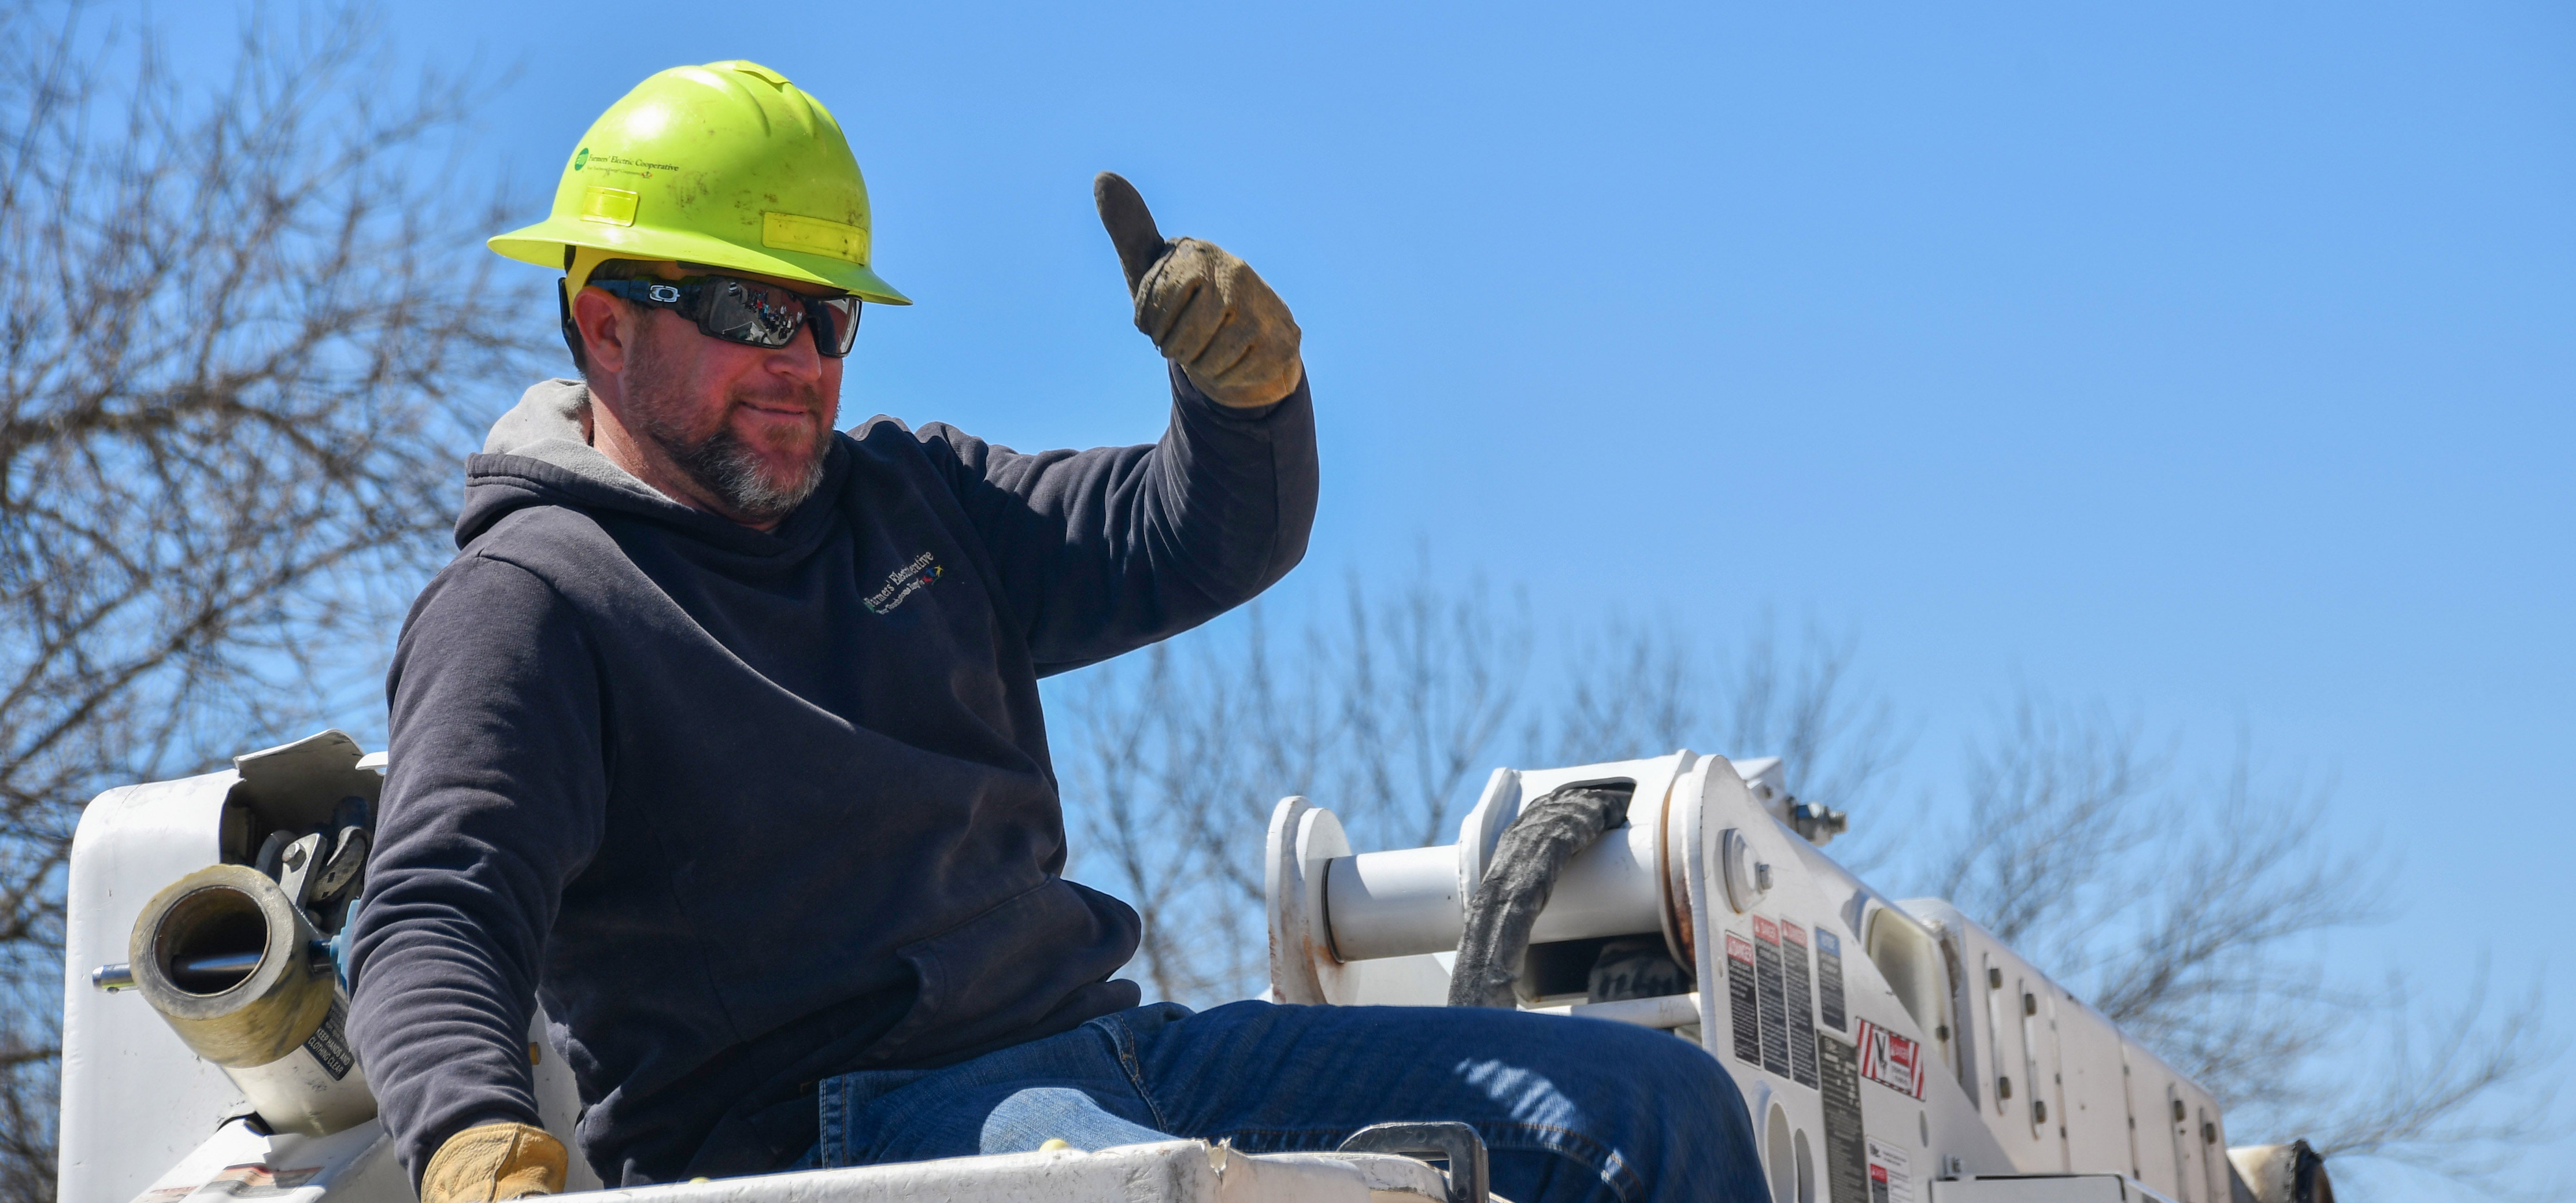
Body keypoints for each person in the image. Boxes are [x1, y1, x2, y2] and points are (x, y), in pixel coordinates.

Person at [347, 60, 1766, 1203]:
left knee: (1648, 1113)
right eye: (744, 308)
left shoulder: (914, 502)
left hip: (1115, 1058)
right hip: (827, 1134)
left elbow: (1194, 534)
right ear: (604, 326)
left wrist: (1245, 401)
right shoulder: (537, 601)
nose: (800, 361)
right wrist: (475, 1145)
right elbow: (435, 910)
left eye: (828, 318)